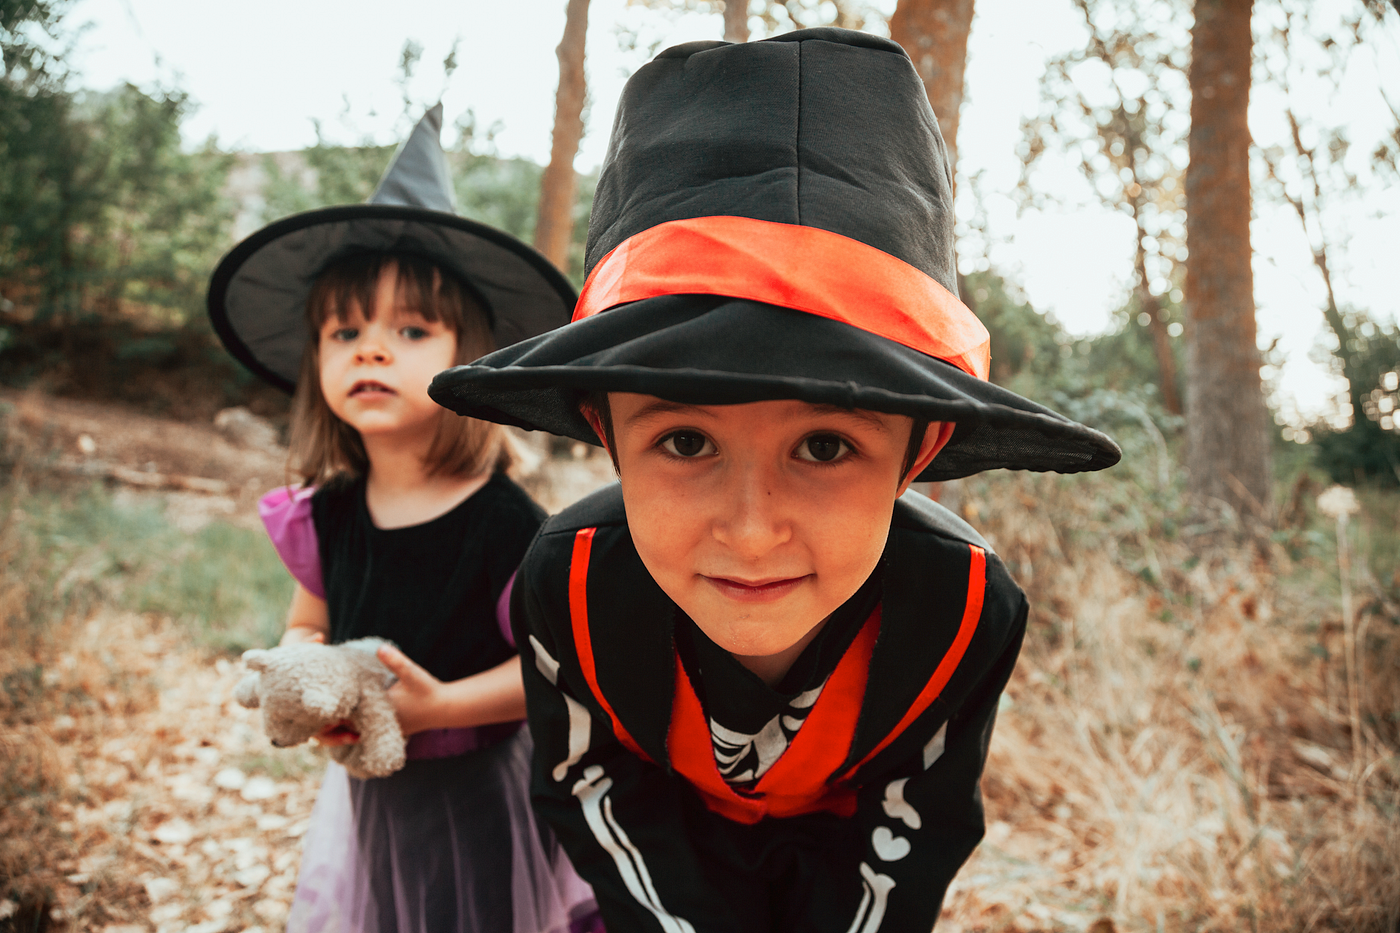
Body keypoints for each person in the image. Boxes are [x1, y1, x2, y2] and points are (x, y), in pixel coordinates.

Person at [429, 30, 1121, 933]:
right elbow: (592, 787)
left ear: (919, 448)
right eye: (684, 441)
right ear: (605, 430)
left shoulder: (962, 608)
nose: (752, 532)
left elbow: (916, 822)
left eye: (826, 446)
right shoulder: (567, 582)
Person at [207, 106, 600, 933]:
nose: (371, 350)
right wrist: (306, 674)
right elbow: (308, 620)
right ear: (316, 363)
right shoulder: (326, 515)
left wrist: (438, 706)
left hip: (487, 793)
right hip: (371, 790)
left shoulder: (507, 525)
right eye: (344, 330)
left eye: (410, 330)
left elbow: (553, 673)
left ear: (468, 362)